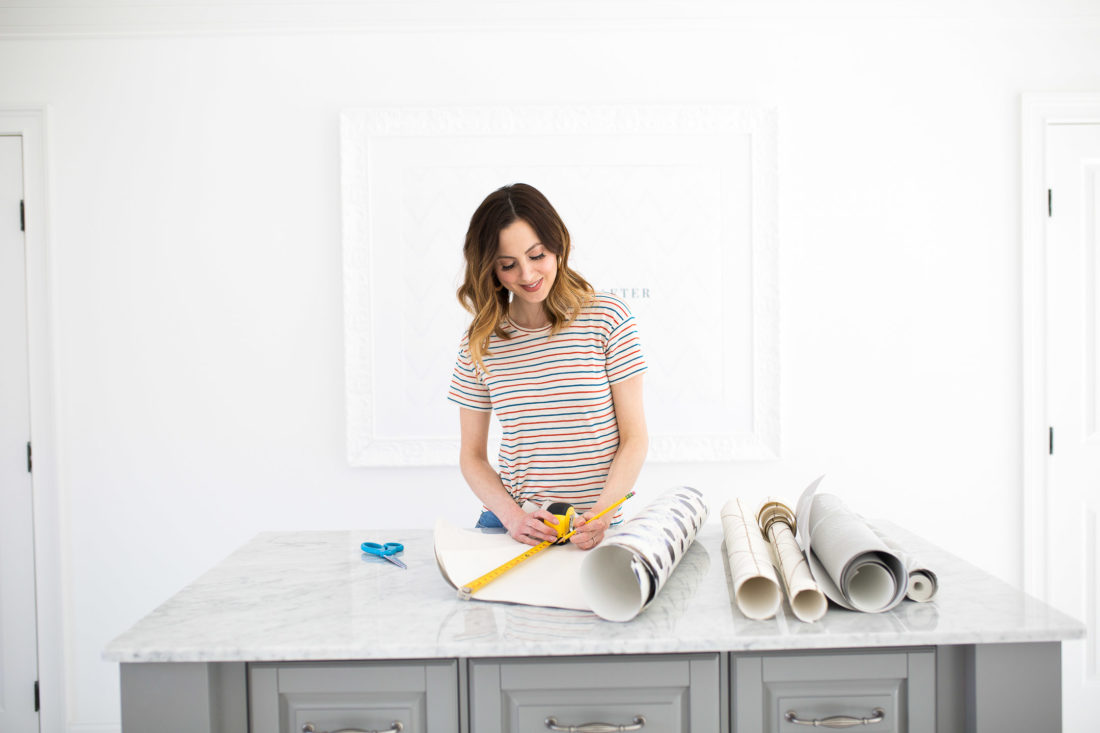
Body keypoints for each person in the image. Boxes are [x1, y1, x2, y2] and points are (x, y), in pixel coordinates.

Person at [448, 183, 648, 551]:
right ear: (490, 270)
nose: (526, 274)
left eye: (536, 255)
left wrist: (602, 514)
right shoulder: (480, 343)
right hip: (512, 527)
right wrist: (512, 516)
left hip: (595, 526)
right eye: (508, 265)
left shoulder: (607, 318)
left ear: (557, 244)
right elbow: (471, 456)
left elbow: (635, 438)